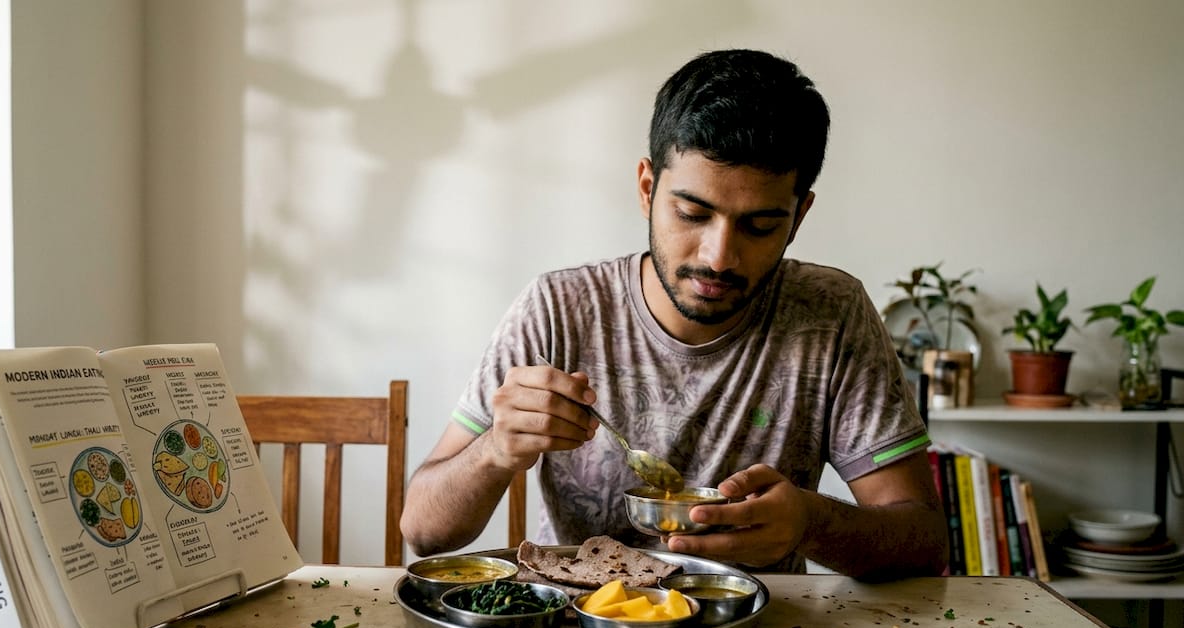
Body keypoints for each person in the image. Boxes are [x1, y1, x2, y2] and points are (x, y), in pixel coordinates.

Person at [400, 48, 948, 579]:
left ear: (799, 214)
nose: (719, 257)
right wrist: (495, 449)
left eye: (760, 226)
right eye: (692, 213)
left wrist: (811, 524)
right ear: (647, 188)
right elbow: (423, 532)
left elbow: (923, 543)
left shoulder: (830, 314)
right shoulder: (558, 310)